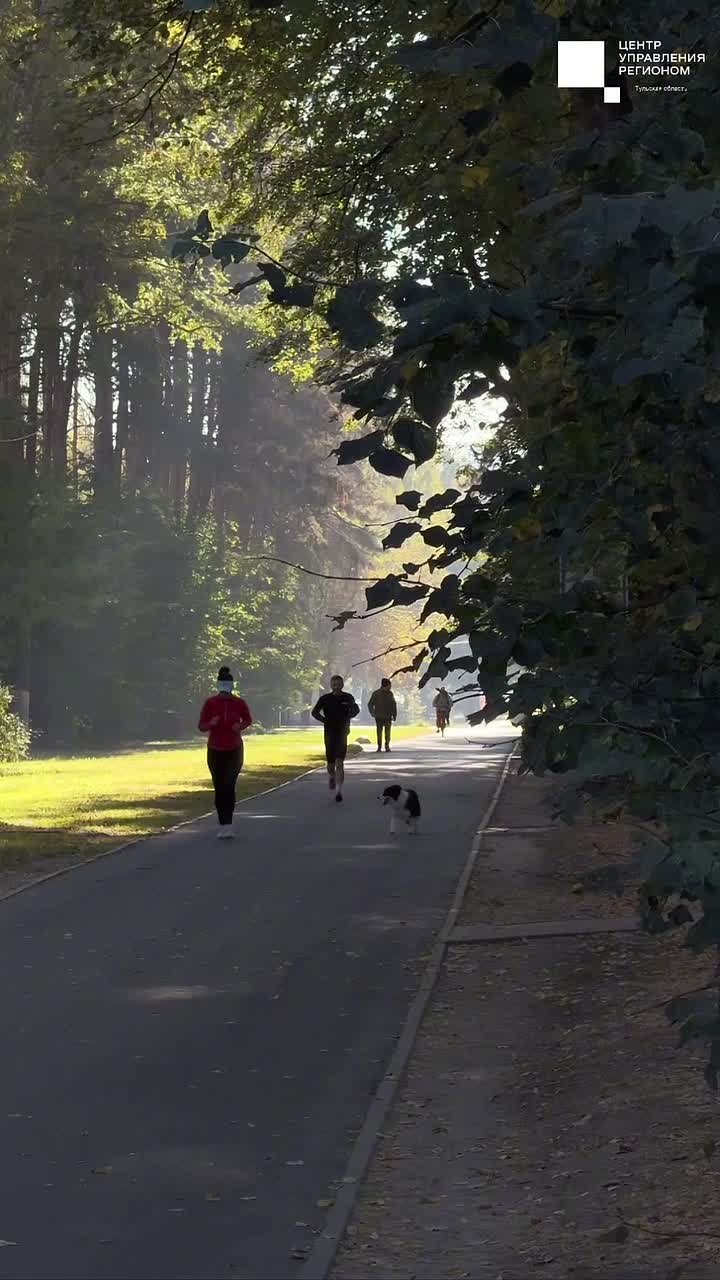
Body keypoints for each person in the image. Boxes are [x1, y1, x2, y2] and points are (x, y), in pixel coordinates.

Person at [198, 666, 253, 838]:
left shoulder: (239, 702)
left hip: (234, 749)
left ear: (232, 684)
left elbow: (248, 719)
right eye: (223, 683)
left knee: (229, 785)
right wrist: (212, 723)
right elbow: (201, 725)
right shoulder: (210, 703)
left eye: (228, 683)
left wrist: (240, 726)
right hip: (215, 749)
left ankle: (228, 824)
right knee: (219, 787)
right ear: (218, 684)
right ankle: (222, 823)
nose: (225, 686)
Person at [312, 675, 360, 803]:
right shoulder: (325, 699)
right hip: (329, 733)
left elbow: (356, 709)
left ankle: (339, 791)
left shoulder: (348, 697)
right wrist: (324, 720)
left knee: (340, 762)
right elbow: (314, 712)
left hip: (342, 733)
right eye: (334, 684)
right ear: (331, 685)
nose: (336, 686)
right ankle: (332, 776)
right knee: (330, 764)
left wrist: (348, 717)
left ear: (342, 685)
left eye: (339, 684)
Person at [368, 678, 397, 753]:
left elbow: (393, 705)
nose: (390, 687)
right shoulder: (376, 693)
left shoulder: (389, 693)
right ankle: (380, 746)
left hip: (386, 716)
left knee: (386, 732)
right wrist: (372, 713)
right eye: (389, 685)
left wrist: (394, 715)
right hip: (379, 716)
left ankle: (386, 746)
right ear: (386, 685)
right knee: (380, 732)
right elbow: (370, 704)